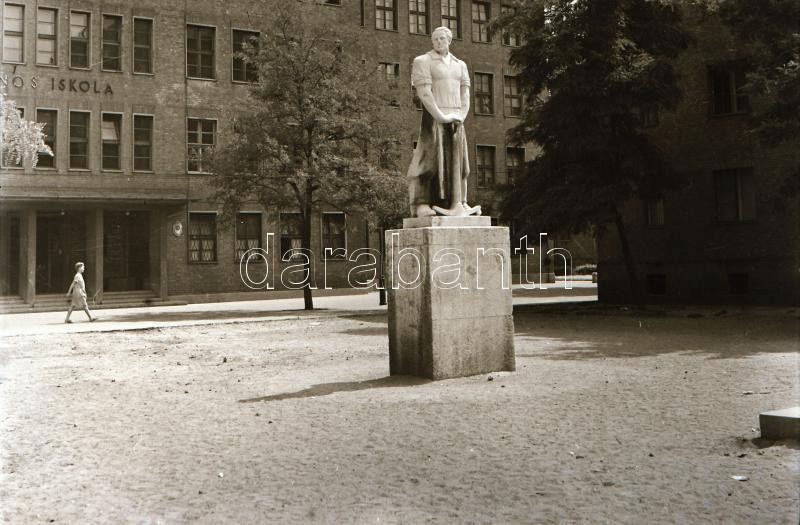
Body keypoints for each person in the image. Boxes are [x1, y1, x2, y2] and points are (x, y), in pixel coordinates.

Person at [408, 26, 481, 218]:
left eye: (442, 38)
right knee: (429, 161)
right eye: (435, 39)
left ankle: (460, 202)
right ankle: (422, 203)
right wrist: (441, 116)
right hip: (434, 117)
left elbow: (465, 93)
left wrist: (461, 115)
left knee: (461, 163)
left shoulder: (460, 65)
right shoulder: (423, 61)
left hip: (456, 117)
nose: (438, 42)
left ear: (449, 40)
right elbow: (424, 93)